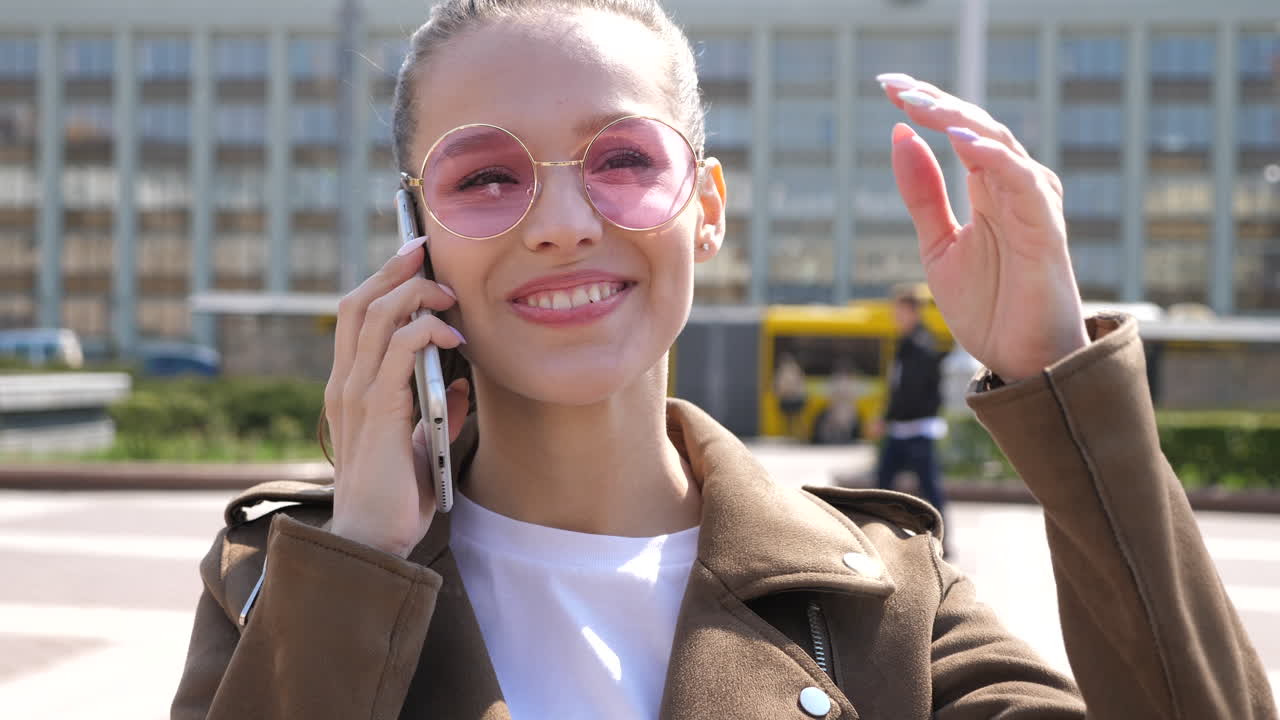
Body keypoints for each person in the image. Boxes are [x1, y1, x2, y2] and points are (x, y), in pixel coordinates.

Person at [170, 1, 1277, 718]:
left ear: (703, 209)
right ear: (415, 234)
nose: (559, 221)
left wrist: (1056, 384)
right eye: (485, 177)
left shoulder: (882, 603)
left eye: (619, 159)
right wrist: (362, 550)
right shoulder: (283, 582)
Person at [871, 285, 950, 553]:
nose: (896, 316)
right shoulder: (907, 344)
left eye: (900, 311)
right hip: (903, 428)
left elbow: (911, 392)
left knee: (928, 486)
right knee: (884, 483)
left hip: (917, 428)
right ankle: (879, 537)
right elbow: (898, 388)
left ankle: (942, 538)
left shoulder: (920, 345)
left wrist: (886, 418)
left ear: (913, 312)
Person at [774, 351, 809, 439]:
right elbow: (779, 387)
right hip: (787, 400)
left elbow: (799, 386)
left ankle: (799, 435)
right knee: (790, 420)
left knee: (797, 419)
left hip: (796, 399)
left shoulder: (794, 370)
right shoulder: (783, 371)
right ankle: (790, 435)